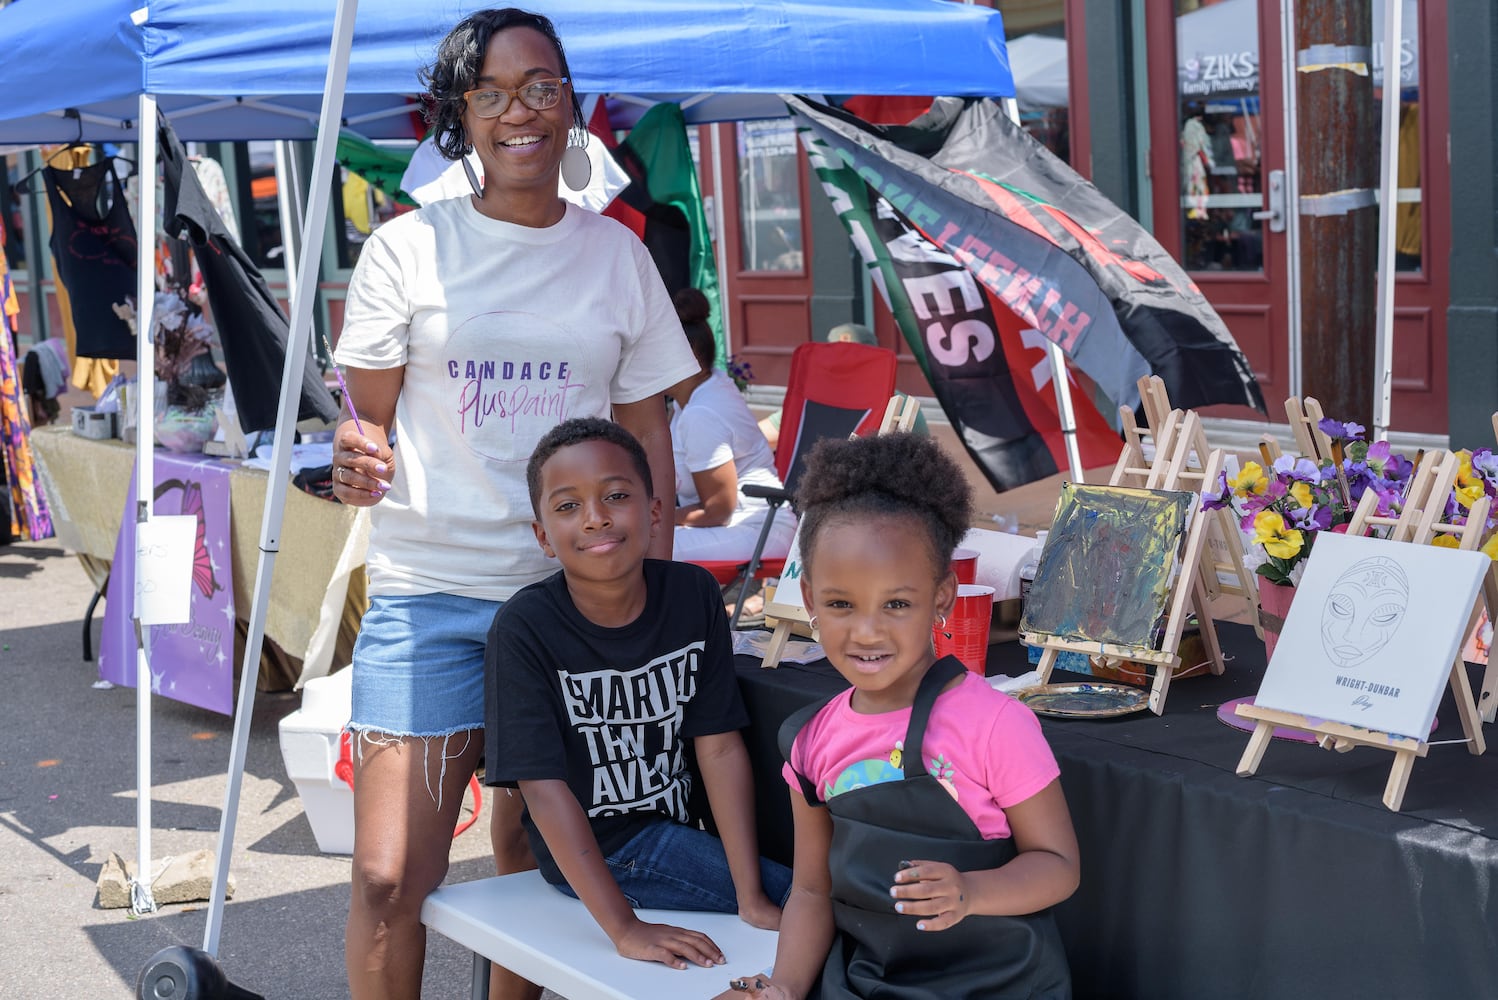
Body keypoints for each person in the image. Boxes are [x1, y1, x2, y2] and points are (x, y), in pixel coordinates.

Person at [328, 10, 701, 999]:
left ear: (572, 102)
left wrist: (652, 586)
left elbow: (644, 444)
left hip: (574, 606)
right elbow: (362, 423)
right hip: (431, 593)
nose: (518, 111)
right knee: (388, 873)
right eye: (488, 93)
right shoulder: (405, 250)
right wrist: (353, 452)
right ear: (459, 115)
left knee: (536, 859)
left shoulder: (618, 256)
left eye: (540, 86)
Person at [725, 433, 1079, 1000]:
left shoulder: (995, 725)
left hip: (996, 984)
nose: (867, 632)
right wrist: (784, 988)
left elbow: (1058, 865)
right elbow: (814, 891)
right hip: (870, 980)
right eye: (842, 604)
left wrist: (970, 891)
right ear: (810, 600)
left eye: (897, 603)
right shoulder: (810, 740)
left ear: (942, 598)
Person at [485, 417, 791, 969]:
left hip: (681, 827)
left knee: (808, 885)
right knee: (811, 898)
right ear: (543, 537)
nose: (596, 516)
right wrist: (624, 928)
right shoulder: (524, 628)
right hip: (606, 850)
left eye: (616, 496)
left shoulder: (692, 594)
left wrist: (750, 895)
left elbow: (718, 746)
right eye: (568, 506)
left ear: (655, 512)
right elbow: (543, 790)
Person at [667, 287, 795, 563]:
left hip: (757, 529)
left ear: (690, 357)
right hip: (735, 527)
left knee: (639, 549)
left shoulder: (700, 414)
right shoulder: (698, 392)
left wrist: (655, 521)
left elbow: (718, 511)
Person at [757, 323, 927, 451]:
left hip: (828, 491)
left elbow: (760, 437)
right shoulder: (905, 403)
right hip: (890, 493)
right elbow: (925, 453)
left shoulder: (820, 400)